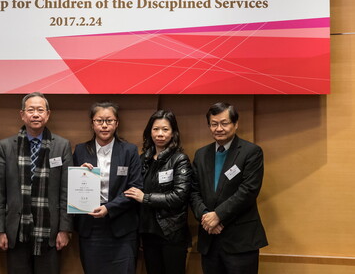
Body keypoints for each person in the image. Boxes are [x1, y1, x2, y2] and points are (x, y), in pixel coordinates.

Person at [0, 92, 72, 274]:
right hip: (15, 229)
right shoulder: (5, 147)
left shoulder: (62, 145)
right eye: (31, 110)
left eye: (40, 110)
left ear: (48, 114)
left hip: (50, 230)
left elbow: (66, 191)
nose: (35, 114)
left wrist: (65, 229)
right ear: (22, 114)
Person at [190, 102, 268, 274]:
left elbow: (248, 190)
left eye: (224, 123)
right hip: (209, 237)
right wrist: (206, 217)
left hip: (240, 240)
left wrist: (218, 216)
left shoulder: (251, 152)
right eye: (214, 124)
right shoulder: (201, 154)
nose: (219, 128)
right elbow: (193, 191)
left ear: (236, 124)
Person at [72, 101, 143, 274]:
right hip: (91, 226)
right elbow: (71, 188)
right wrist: (79, 175)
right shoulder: (80, 150)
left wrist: (108, 208)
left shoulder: (129, 151)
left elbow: (135, 188)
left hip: (122, 226)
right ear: (92, 123)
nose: (104, 125)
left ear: (117, 123)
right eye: (99, 121)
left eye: (109, 120)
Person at [125, 109, 192, 274]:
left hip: (171, 232)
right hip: (148, 232)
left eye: (165, 129)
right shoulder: (143, 159)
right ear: (149, 132)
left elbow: (180, 196)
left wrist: (145, 198)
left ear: (173, 133)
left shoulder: (179, 159)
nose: (160, 134)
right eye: (155, 129)